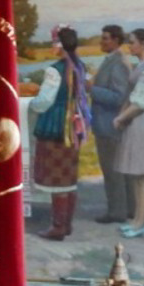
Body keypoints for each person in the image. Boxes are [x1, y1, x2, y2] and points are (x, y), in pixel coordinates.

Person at [30, 26, 90, 241]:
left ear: (59, 45)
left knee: (57, 176)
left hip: (56, 125)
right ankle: (66, 224)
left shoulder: (54, 70)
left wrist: (32, 104)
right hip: (73, 124)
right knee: (68, 175)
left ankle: (58, 226)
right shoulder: (79, 66)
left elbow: (44, 101)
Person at [112, 28, 144, 238]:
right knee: (136, 174)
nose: (129, 45)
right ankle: (137, 220)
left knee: (143, 175)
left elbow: (143, 101)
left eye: (132, 42)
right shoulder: (142, 66)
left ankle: (142, 222)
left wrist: (121, 117)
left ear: (143, 43)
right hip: (137, 123)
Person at [88, 24, 133, 224]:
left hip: (110, 124)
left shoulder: (119, 63)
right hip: (107, 123)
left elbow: (119, 97)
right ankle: (128, 209)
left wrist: (92, 89)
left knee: (113, 170)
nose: (102, 41)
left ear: (115, 40)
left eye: (105, 38)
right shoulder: (112, 60)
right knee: (117, 170)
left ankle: (117, 212)